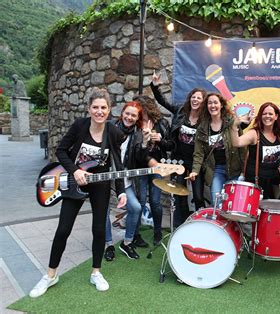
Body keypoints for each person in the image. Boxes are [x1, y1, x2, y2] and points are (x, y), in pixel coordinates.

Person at [29, 88, 127, 298]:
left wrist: (121, 191)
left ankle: (96, 272)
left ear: (109, 110)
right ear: (89, 109)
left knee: (99, 230)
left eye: (103, 108)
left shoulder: (113, 133)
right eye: (95, 107)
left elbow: (117, 164)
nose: (99, 111)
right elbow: (61, 151)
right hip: (74, 183)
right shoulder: (80, 126)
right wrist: (75, 170)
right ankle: (50, 275)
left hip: (100, 184)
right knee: (63, 229)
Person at [104, 101, 161, 261]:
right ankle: (108, 245)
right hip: (105, 176)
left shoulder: (137, 134)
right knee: (103, 211)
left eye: (133, 115)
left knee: (135, 208)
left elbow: (140, 158)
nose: (129, 117)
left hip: (125, 180)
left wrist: (144, 142)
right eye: (127, 113)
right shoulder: (109, 128)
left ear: (137, 118)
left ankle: (127, 242)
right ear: (122, 113)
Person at [150, 72, 207, 228]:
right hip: (179, 160)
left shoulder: (205, 119)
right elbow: (163, 101)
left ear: (203, 102)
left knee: (198, 195)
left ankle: (200, 225)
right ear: (190, 99)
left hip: (196, 162)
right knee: (180, 194)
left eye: (199, 98)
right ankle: (182, 225)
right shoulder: (181, 110)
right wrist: (155, 86)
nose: (195, 100)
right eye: (193, 97)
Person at [188, 92, 245, 206]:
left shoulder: (232, 123)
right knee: (216, 202)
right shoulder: (202, 128)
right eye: (209, 103)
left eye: (215, 102)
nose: (212, 106)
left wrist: (244, 171)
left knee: (232, 203)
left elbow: (242, 148)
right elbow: (198, 153)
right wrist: (195, 170)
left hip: (234, 168)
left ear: (221, 105)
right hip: (216, 169)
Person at [133, 95, 174, 246]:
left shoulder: (161, 123)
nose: (139, 112)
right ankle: (136, 234)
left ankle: (157, 232)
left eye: (141, 109)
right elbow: (133, 149)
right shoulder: (134, 124)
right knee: (141, 201)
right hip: (140, 167)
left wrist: (160, 140)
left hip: (157, 167)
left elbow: (170, 145)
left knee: (155, 202)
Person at [230, 102, 280, 199]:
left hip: (275, 182)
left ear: (276, 116)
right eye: (264, 114)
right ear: (260, 116)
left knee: (276, 211)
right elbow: (236, 143)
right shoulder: (254, 134)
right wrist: (234, 126)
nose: (267, 116)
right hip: (256, 182)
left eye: (270, 114)